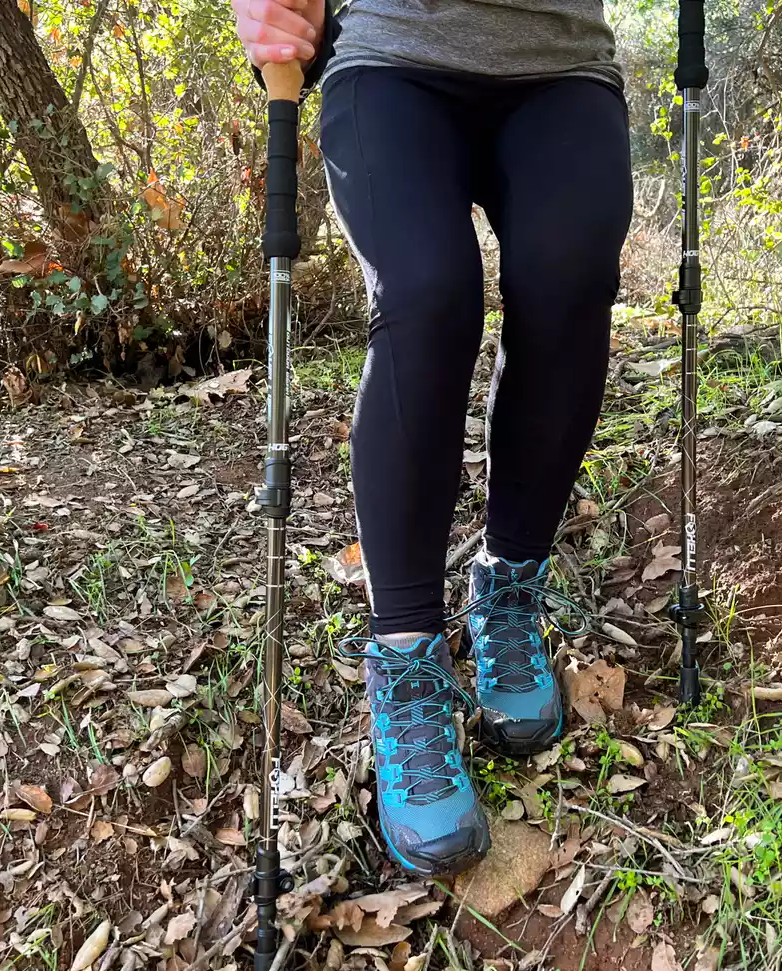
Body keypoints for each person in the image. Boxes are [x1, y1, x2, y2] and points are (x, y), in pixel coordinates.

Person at [233, 0, 632, 877]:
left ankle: (508, 587)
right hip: (389, 52)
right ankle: (408, 656)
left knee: (567, 286)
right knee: (427, 296)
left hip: (558, 59)